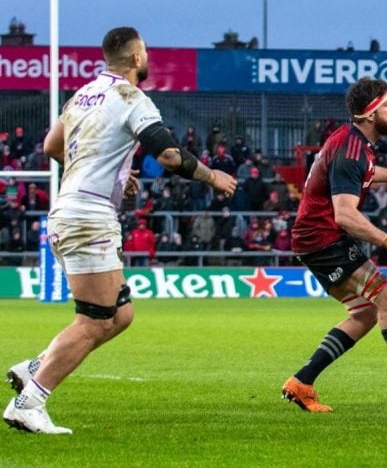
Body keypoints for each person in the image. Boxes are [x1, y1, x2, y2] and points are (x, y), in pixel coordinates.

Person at [4, 26, 237, 434]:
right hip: (88, 217)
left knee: (121, 314)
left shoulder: (83, 94)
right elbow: (166, 154)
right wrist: (211, 176)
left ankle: (35, 367)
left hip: (71, 210)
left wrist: (111, 171)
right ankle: (30, 400)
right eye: (144, 52)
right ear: (135, 58)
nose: (146, 58)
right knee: (94, 320)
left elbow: (51, 147)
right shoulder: (132, 97)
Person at [281, 77, 387, 414]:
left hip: (317, 237)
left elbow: (366, 172)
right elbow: (345, 215)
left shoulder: (354, 143)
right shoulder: (351, 150)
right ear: (370, 114)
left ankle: (302, 381)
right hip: (323, 238)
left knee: (365, 312)